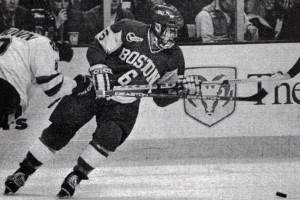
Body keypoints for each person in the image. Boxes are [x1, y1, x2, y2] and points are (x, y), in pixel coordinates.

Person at [4, 4, 201, 198]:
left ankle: (76, 176)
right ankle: (24, 171)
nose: (173, 36)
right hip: (95, 89)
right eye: (169, 31)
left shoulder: (175, 58)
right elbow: (96, 46)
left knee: (109, 137)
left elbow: (160, 99)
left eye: (175, 31)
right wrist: (99, 67)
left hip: (125, 105)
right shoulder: (129, 28)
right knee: (62, 126)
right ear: (157, 26)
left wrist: (180, 92)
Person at [0, 10, 91, 129]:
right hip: (5, 94)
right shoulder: (43, 42)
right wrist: (77, 84)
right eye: (51, 30)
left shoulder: (7, 32)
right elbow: (52, 87)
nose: (53, 34)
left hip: (5, 90)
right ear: (39, 30)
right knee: (12, 111)